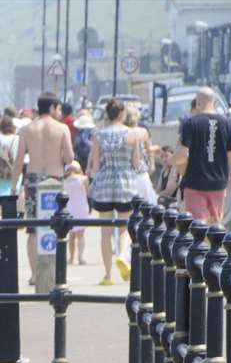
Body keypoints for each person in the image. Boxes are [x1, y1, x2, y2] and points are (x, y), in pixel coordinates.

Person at [14, 93, 76, 281]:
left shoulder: (26, 129)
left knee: (33, 229)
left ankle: (34, 274)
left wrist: (13, 188)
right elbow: (69, 158)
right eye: (58, 108)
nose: (59, 112)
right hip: (53, 179)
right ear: (51, 108)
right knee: (55, 226)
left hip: (32, 179)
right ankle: (53, 272)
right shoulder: (62, 128)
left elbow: (18, 161)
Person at [86, 98, 142, 285]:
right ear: (121, 114)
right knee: (124, 228)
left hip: (104, 185)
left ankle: (108, 275)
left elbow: (94, 166)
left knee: (105, 232)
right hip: (125, 184)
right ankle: (123, 256)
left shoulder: (98, 134)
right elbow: (136, 163)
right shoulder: (132, 134)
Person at [178, 86, 231, 226]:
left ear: (198, 102)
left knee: (197, 226)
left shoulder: (190, 123)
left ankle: (201, 248)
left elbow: (183, 153)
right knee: (216, 225)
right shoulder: (226, 123)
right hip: (218, 183)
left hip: (194, 182)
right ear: (214, 102)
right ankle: (213, 247)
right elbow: (230, 155)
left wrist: (176, 165)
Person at [62, 160, 90, 265]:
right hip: (81, 207)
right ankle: (80, 257)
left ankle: (71, 257)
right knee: (81, 235)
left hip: (69, 208)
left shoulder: (63, 182)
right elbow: (88, 192)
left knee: (71, 235)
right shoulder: (84, 179)